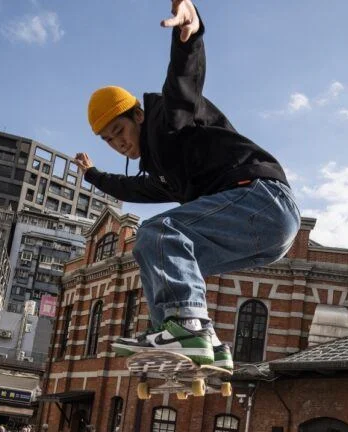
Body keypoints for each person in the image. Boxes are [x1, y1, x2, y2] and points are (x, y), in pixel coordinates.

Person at [75, 0, 300, 370]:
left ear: (138, 115)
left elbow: (183, 79)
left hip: (262, 201)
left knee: (157, 232)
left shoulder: (168, 120)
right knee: (155, 251)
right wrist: (92, 174)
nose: (119, 143)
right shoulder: (169, 176)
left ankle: (187, 327)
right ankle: (199, 343)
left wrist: (188, 35)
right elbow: (132, 189)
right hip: (261, 232)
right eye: (110, 140)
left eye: (120, 131)